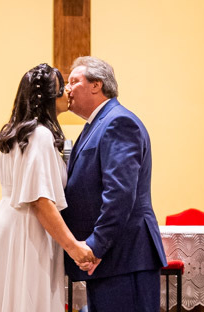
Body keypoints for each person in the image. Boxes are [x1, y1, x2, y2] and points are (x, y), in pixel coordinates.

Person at [0, 63, 97, 312]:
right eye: (62, 88)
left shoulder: (19, 132)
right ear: (47, 97)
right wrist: (73, 247)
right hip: (29, 227)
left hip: (9, 222)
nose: (68, 92)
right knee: (30, 299)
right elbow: (40, 200)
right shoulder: (40, 135)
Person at [61, 56, 166, 312]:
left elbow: (119, 193)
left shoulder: (118, 122)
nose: (67, 90)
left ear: (96, 85)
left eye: (74, 81)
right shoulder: (95, 125)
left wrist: (95, 246)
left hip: (124, 255)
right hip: (114, 258)